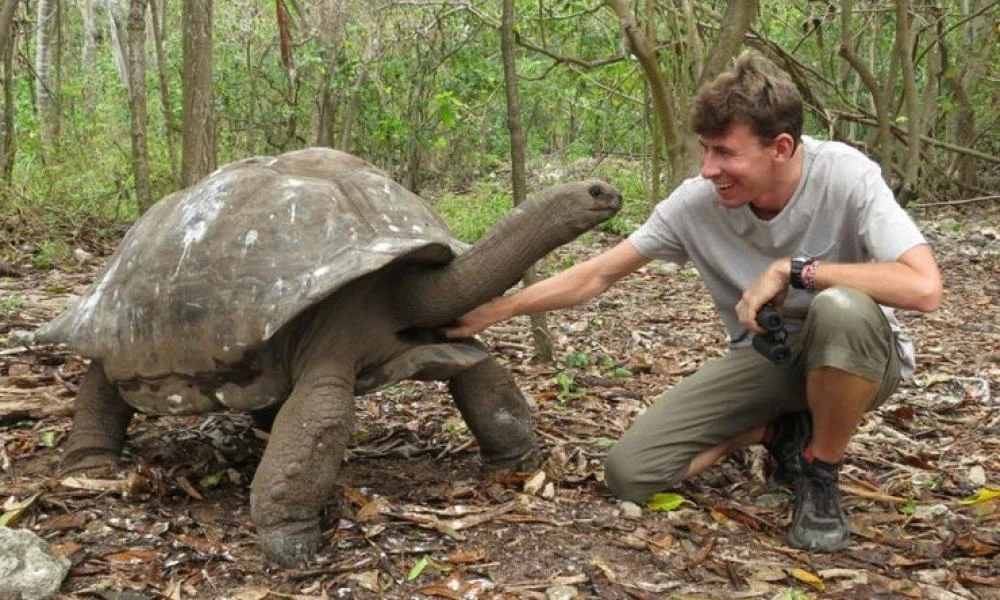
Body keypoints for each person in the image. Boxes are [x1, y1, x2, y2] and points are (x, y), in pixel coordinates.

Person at [444, 51, 942, 552]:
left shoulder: (846, 176)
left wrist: (796, 272)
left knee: (840, 307)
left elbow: (924, 287)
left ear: (781, 147)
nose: (708, 169)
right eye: (704, 150)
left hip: (859, 359)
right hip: (767, 356)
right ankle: (777, 432)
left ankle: (820, 470)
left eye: (725, 153)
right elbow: (597, 274)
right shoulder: (695, 204)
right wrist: (497, 309)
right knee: (629, 473)